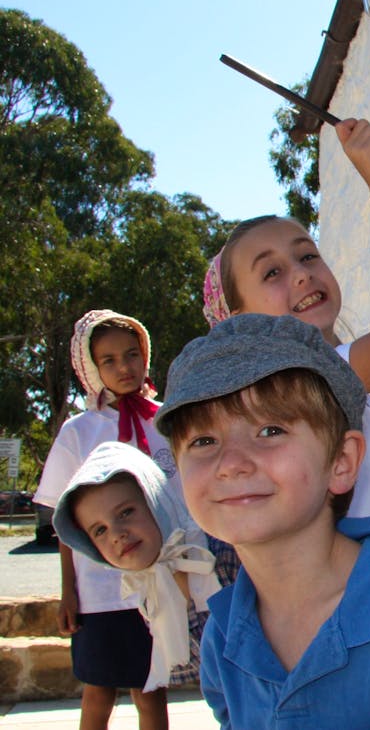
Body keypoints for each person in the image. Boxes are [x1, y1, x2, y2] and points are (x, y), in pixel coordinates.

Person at [154, 313, 370, 729]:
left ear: (341, 462)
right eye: (203, 441)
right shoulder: (223, 638)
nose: (230, 464)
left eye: (270, 430)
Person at [202, 118, 370, 520]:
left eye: (307, 255)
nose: (300, 272)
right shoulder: (308, 378)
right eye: (271, 273)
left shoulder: (339, 371)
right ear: (238, 320)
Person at [34, 309, 183, 730]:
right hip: (99, 594)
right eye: (109, 360)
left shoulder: (169, 420)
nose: (124, 367)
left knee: (152, 691)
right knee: (98, 692)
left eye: (132, 355)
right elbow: (66, 523)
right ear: (92, 367)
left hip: (158, 587)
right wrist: (69, 592)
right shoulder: (79, 433)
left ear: (145, 356)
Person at [53, 441, 221, 695]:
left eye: (125, 513)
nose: (117, 534)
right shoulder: (149, 589)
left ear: (156, 498)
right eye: (100, 530)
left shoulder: (219, 559)